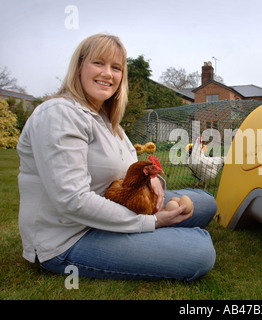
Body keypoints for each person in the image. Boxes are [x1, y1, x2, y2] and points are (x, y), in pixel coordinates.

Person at [17, 34, 217, 281]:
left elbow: (130, 169)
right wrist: (153, 221)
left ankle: (169, 233)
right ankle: (175, 238)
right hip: (72, 235)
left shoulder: (108, 121)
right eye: (98, 63)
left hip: (118, 205)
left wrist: (153, 181)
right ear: (79, 67)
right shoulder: (59, 114)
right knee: (200, 253)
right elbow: (72, 200)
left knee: (206, 201)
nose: (108, 74)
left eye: (116, 68)